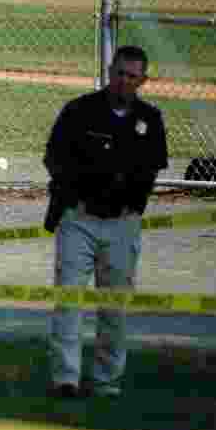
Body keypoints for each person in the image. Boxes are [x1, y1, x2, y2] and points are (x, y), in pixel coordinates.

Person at [42, 45, 168, 399]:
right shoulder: (80, 111)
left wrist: (128, 198)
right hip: (78, 218)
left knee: (114, 307)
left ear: (143, 80)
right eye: (119, 73)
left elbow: (153, 168)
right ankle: (65, 378)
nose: (124, 81)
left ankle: (106, 379)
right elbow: (53, 156)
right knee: (69, 301)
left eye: (132, 76)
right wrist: (73, 189)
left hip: (122, 223)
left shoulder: (151, 120)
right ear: (108, 72)